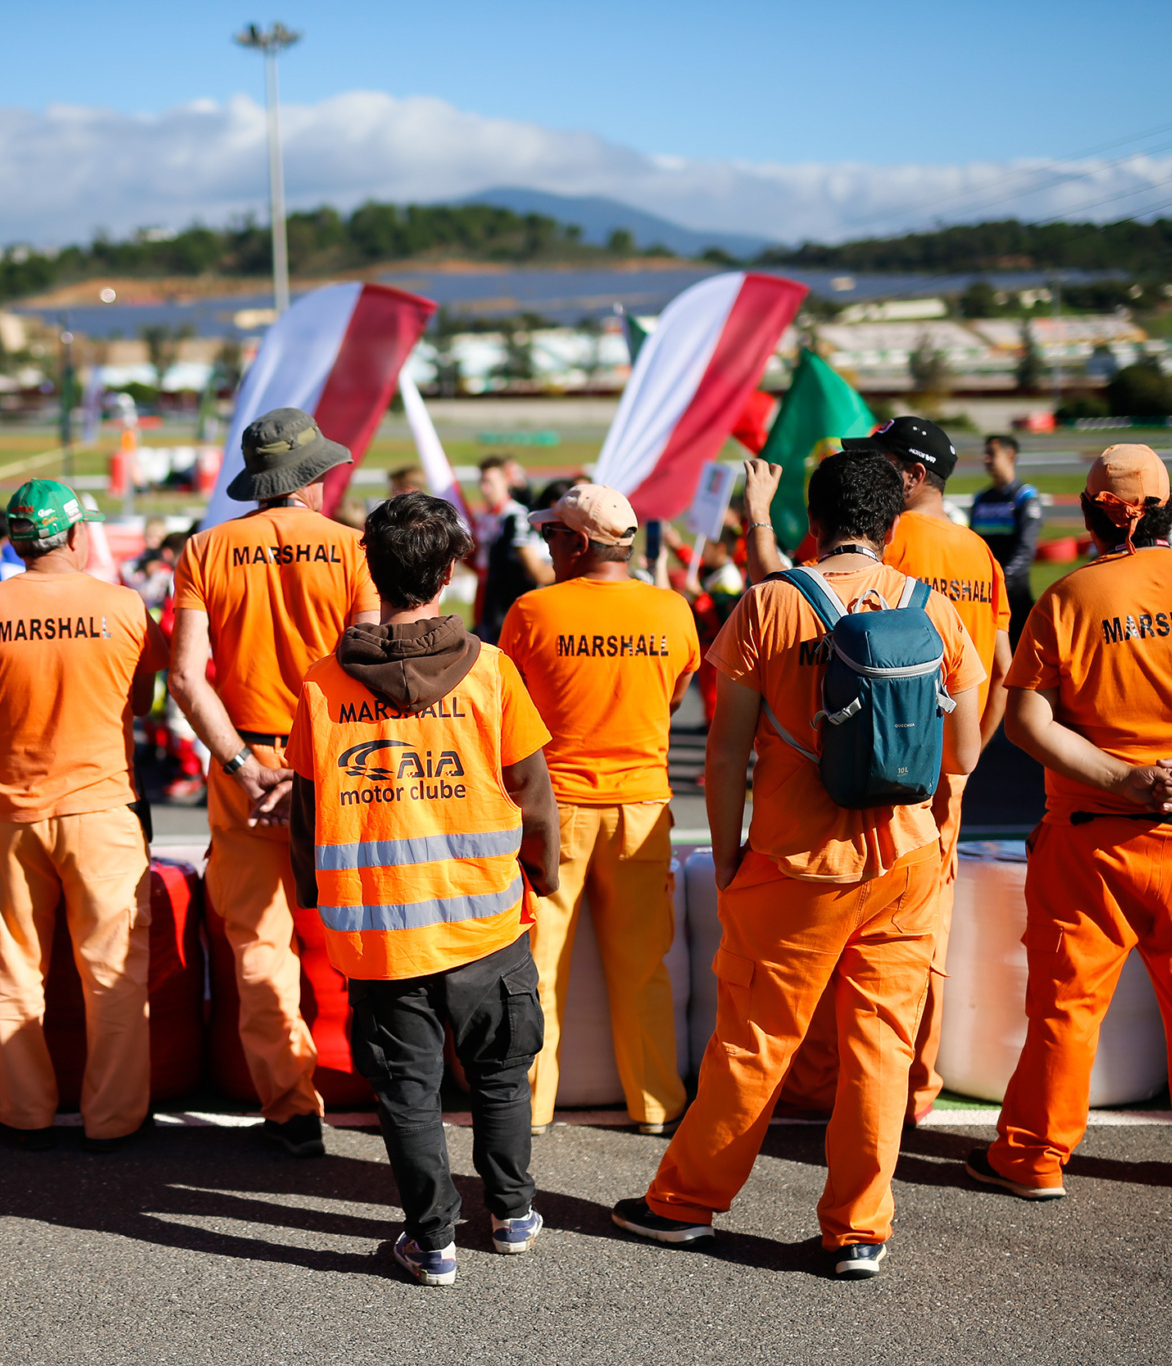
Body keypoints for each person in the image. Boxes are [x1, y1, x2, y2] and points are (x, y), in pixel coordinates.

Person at [611, 450, 983, 1281]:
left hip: (795, 861)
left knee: (754, 1041)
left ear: (812, 522)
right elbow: (961, 749)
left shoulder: (768, 606)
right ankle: (858, 1230)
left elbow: (723, 753)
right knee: (881, 1049)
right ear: (895, 526)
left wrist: (734, 848)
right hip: (906, 859)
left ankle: (686, 1204)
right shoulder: (935, 609)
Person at [968, 444, 1172, 1204]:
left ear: (1089, 514)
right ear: (1171, 507)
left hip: (1093, 833)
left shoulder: (1069, 599)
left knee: (1066, 1004)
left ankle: (1034, 1158)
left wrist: (1124, 777)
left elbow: (1026, 721)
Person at [287, 491, 560, 1286]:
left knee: (407, 1090)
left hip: (376, 930)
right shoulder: (491, 674)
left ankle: (431, 1241)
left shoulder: (322, 683)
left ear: (370, 570)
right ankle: (511, 1216)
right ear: (451, 571)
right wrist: (538, 874)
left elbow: (306, 809)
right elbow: (532, 794)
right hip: (484, 921)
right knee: (502, 1074)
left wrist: (317, 894)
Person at [762, 417, 1011, 1123]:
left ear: (906, 474)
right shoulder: (977, 557)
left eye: (873, 461)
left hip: (833, 766)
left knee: (820, 936)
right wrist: (964, 764)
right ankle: (912, 1086)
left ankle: (815, 1082)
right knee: (914, 946)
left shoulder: (883, 553)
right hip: (933, 771)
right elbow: (1003, 670)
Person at [0, 480, 168, 1152]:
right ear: (77, 536)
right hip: (103, 812)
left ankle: (22, 1113)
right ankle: (114, 1120)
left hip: (8, 815)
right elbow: (143, 704)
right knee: (113, 972)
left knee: (10, 968)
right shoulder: (124, 607)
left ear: (17, 541)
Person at [168, 408, 379, 1158]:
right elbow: (372, 667)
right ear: (315, 479)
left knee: (260, 945)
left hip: (248, 767)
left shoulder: (204, 550)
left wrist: (243, 766)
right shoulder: (356, 549)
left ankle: (291, 1110)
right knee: (368, 934)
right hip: (343, 762)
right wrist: (315, 765)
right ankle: (395, 1089)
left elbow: (187, 678)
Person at [497, 484, 699, 1138]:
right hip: (642, 808)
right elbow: (673, 701)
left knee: (539, 967)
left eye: (553, 535)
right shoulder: (672, 610)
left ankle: (531, 1107)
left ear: (579, 543)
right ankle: (655, 1104)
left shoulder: (533, 610)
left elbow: (514, 716)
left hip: (557, 811)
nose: (547, 545)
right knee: (644, 970)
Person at [969, 435, 1042, 642]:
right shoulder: (981, 498)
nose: (986, 459)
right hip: (983, 594)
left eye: (992, 454)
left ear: (1010, 456)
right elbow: (974, 546)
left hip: (1014, 596)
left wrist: (1002, 580)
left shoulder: (1026, 497)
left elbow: (1026, 549)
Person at [475, 455, 552, 643]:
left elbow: (536, 564)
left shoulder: (516, 515)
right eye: (482, 482)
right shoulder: (486, 517)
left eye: (490, 482)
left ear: (505, 481)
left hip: (509, 604)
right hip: (488, 600)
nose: (485, 489)